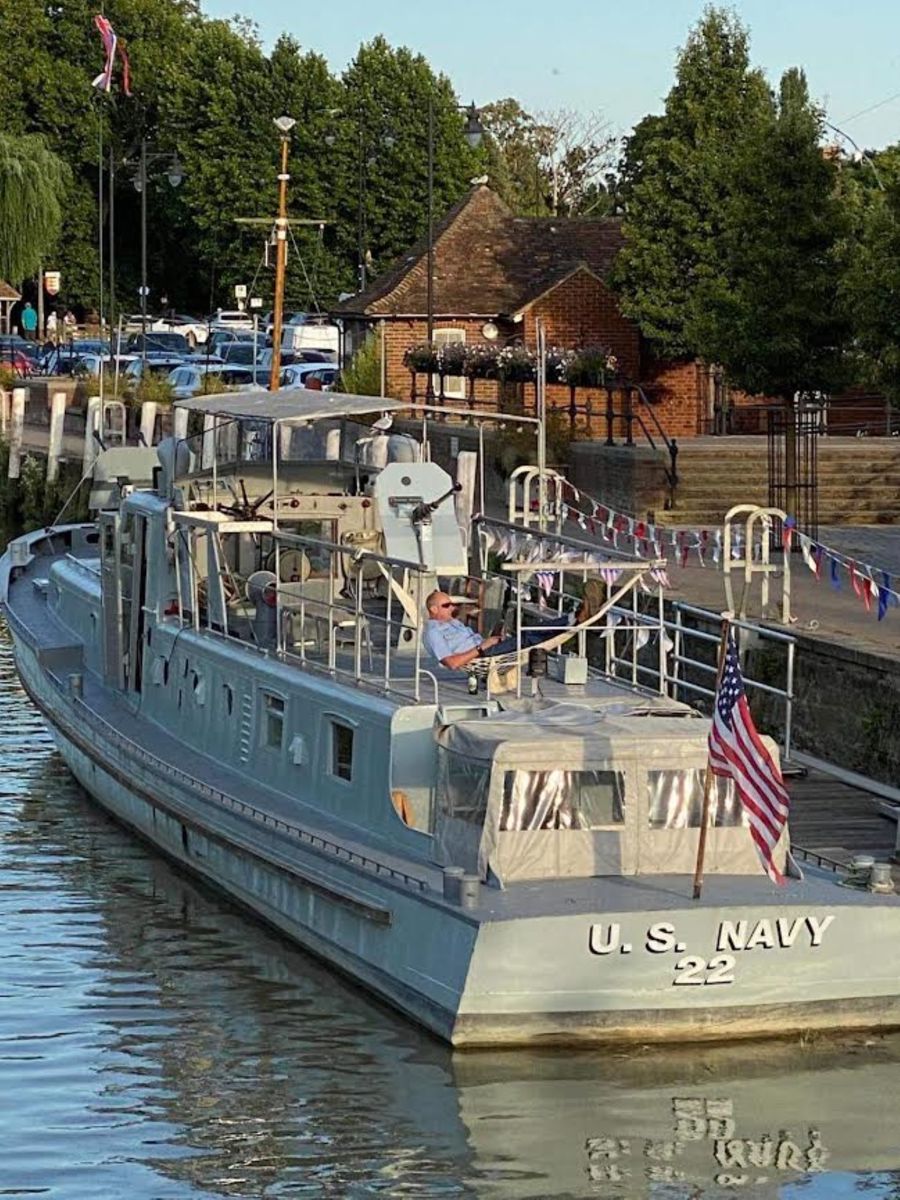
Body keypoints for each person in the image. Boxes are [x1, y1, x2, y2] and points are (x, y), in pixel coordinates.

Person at [423, 581, 602, 671]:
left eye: (452, 604)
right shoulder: (433, 632)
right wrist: (481, 647)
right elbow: (451, 663)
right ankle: (577, 617)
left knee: (526, 634)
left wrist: (491, 639)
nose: (452, 607)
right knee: (528, 637)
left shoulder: (451, 622)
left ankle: (577, 617)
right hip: (481, 657)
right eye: (447, 606)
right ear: (433, 609)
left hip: (487, 648)